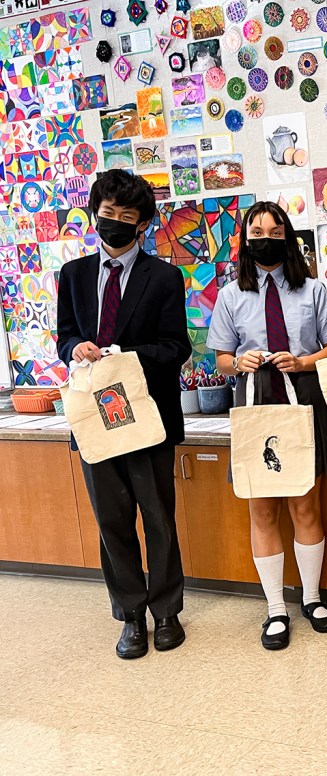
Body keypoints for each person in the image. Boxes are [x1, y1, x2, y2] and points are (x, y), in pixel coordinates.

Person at [56, 170, 192, 659]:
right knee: (112, 521)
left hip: (149, 417)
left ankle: (167, 611)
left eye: (125, 216)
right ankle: (131, 614)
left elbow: (176, 347)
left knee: (158, 518)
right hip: (94, 419)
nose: (112, 223)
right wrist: (79, 348)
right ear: (96, 213)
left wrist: (121, 355)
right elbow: (64, 337)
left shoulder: (165, 277)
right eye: (106, 213)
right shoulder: (72, 276)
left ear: (142, 225)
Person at [208, 201, 327, 650]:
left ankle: (313, 598)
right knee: (262, 509)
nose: (266, 236)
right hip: (253, 399)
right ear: (245, 239)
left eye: (274, 230)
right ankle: (275, 608)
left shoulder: (314, 290)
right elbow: (221, 360)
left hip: (301, 394)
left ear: (288, 236)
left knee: (306, 505)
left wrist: (303, 360)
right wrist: (237, 361)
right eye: (256, 230)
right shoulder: (229, 295)